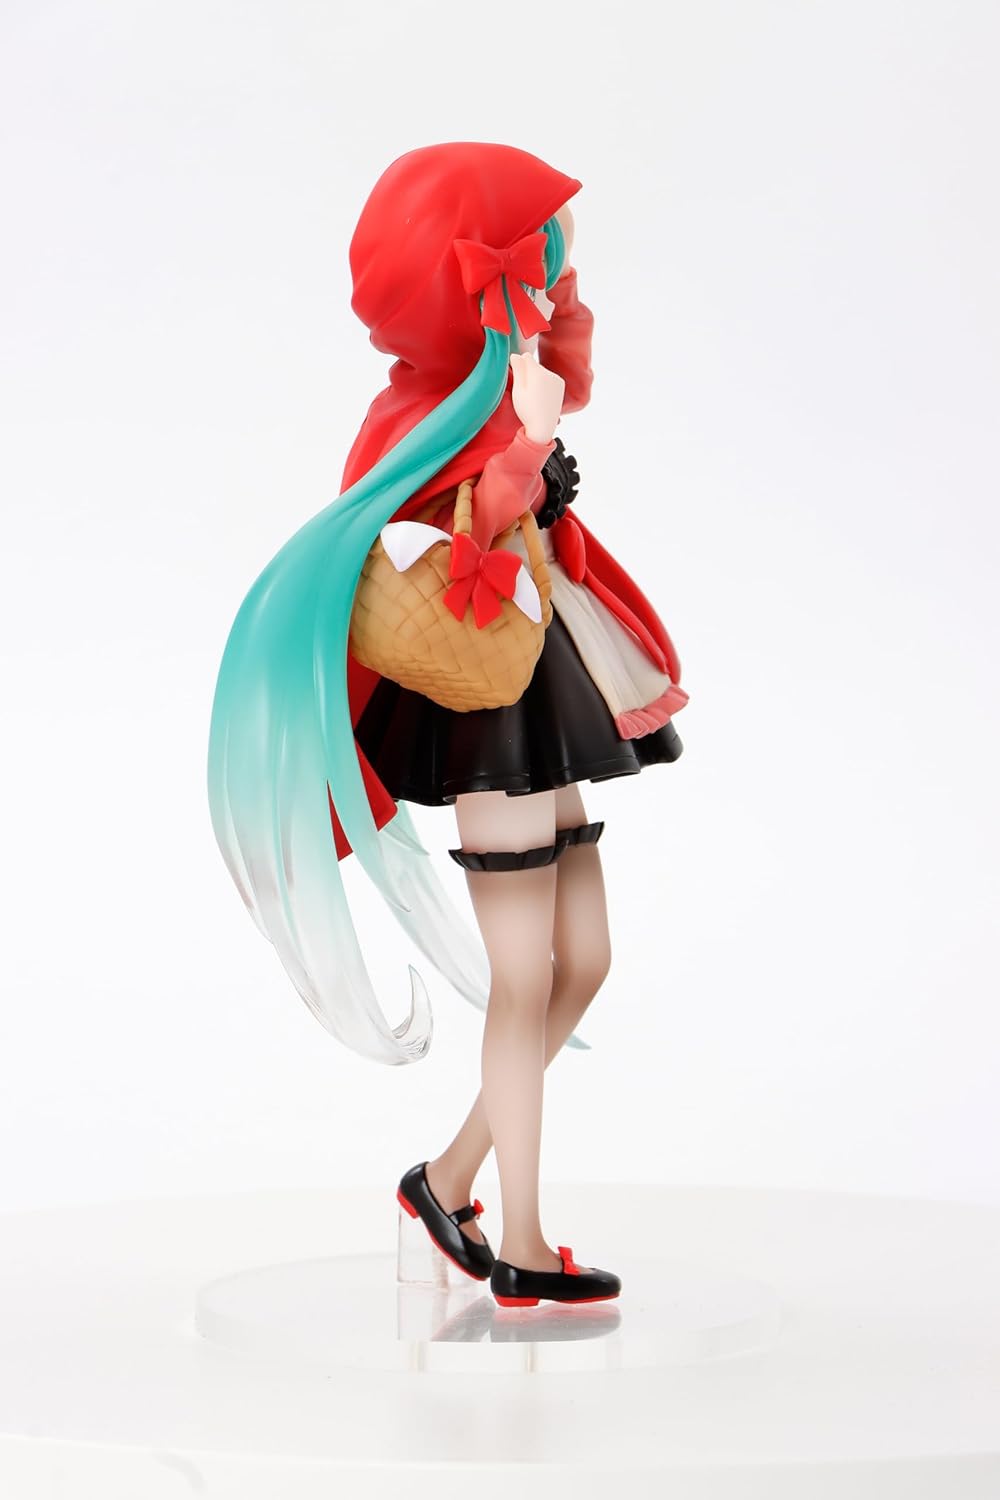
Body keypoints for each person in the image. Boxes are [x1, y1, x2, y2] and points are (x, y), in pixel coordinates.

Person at [207, 142, 690, 1307]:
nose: (554, 295)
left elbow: (532, 503)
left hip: (541, 678)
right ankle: (518, 1241)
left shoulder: (476, 397)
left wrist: (528, 405)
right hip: (485, 705)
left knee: (585, 962)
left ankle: (445, 1179)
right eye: (535, 276)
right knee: (525, 980)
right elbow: (455, 554)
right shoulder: (421, 420)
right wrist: (522, 445)